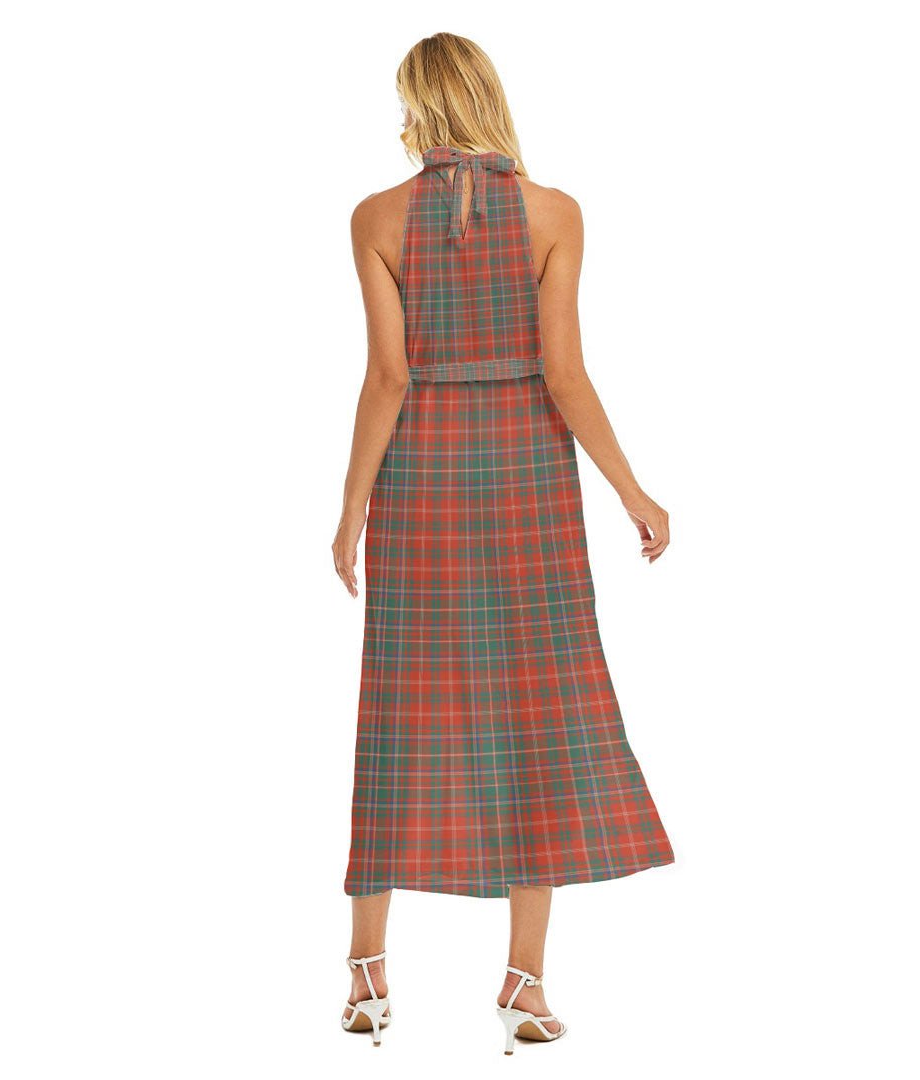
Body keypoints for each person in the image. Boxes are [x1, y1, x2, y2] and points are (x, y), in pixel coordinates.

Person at [332, 32, 675, 1054]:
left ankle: (366, 977)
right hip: (529, 479)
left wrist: (351, 508)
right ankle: (524, 986)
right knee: (540, 712)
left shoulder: (376, 217)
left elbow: (388, 376)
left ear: (420, 106)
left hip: (421, 480)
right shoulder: (554, 214)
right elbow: (564, 375)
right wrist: (633, 491)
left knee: (400, 711)